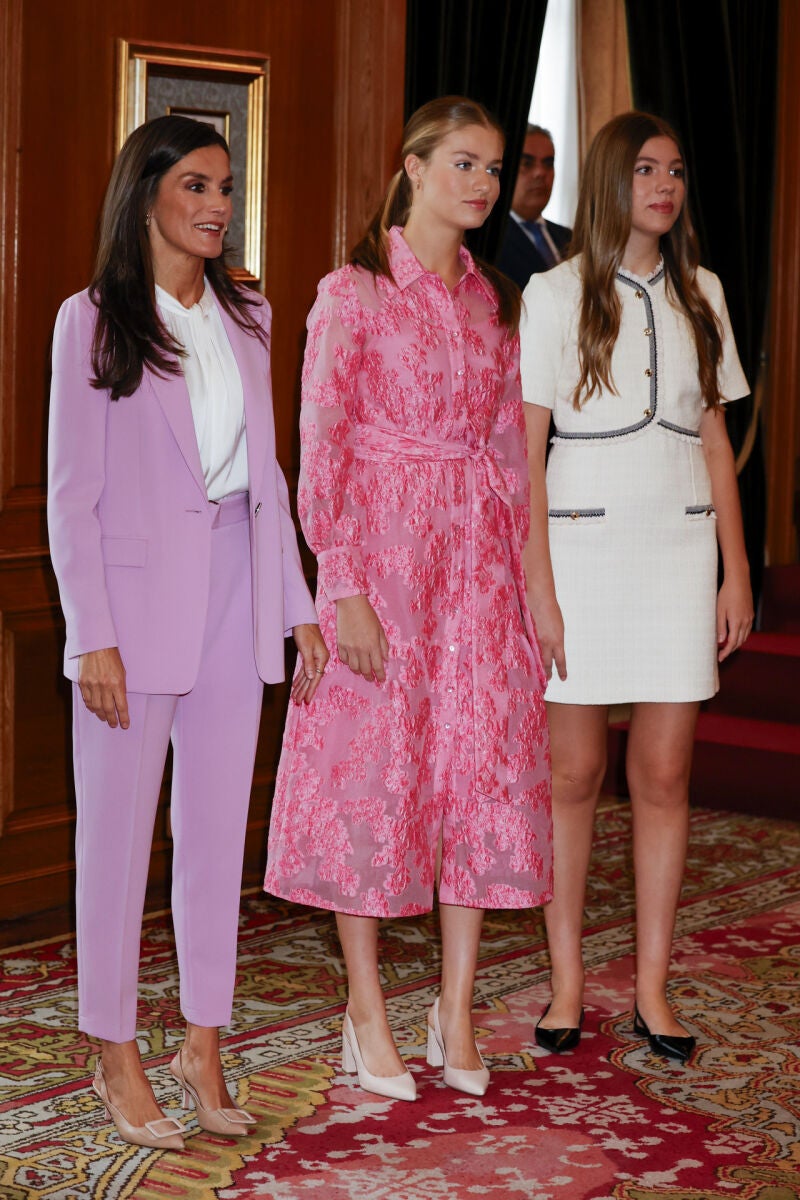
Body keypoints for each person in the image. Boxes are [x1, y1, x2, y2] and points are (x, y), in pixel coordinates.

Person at [47, 115, 327, 1149]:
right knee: (114, 843)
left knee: (213, 838)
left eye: (225, 187)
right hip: (132, 606)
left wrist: (293, 605)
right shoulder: (94, 321)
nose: (218, 205)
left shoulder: (247, 312)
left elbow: (272, 476)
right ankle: (112, 1048)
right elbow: (72, 499)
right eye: (198, 186)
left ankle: (201, 1040)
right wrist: (92, 638)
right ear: (149, 194)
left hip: (233, 595)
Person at [264, 96, 553, 1101]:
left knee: (469, 777)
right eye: (461, 164)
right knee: (370, 779)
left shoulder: (492, 303)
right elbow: (320, 445)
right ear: (414, 167)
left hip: (472, 572)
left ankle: (456, 1006)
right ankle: (364, 1008)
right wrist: (337, 581)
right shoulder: (351, 292)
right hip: (382, 564)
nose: (478, 183)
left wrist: (524, 591)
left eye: (490, 168)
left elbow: (513, 461)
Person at [520, 111, 753, 1062]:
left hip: (678, 551)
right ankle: (568, 980)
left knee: (663, 774)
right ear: (613, 179)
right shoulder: (551, 291)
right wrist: (537, 581)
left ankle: (654, 989)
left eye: (677, 170)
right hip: (579, 551)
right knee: (571, 776)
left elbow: (714, 443)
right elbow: (524, 455)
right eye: (647, 169)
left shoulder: (704, 291)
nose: (665, 185)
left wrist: (736, 570)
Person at [496, 124, 572, 290]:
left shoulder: (570, 238)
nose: (540, 173)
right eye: (527, 163)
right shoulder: (491, 242)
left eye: (548, 163)